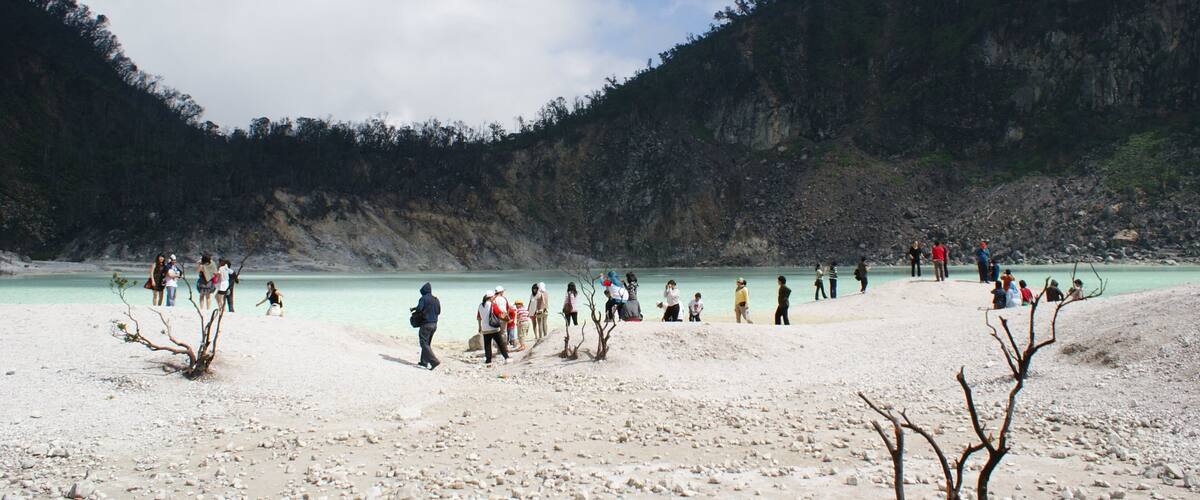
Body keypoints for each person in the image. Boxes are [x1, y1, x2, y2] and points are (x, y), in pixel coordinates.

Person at [410, 282, 441, 370]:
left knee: (423, 343)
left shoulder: (423, 298)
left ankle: (434, 361)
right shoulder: (436, 299)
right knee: (427, 344)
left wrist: (415, 311)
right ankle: (424, 362)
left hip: (426, 324)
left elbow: (420, 309)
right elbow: (439, 311)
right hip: (434, 324)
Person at [477, 291, 508, 365]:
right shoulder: (493, 305)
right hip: (493, 328)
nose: (494, 298)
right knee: (500, 343)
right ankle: (506, 357)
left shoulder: (480, 306)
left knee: (487, 345)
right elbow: (499, 313)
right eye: (493, 297)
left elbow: (478, 317)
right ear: (490, 297)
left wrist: (479, 327)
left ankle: (488, 361)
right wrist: (506, 318)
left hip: (485, 328)